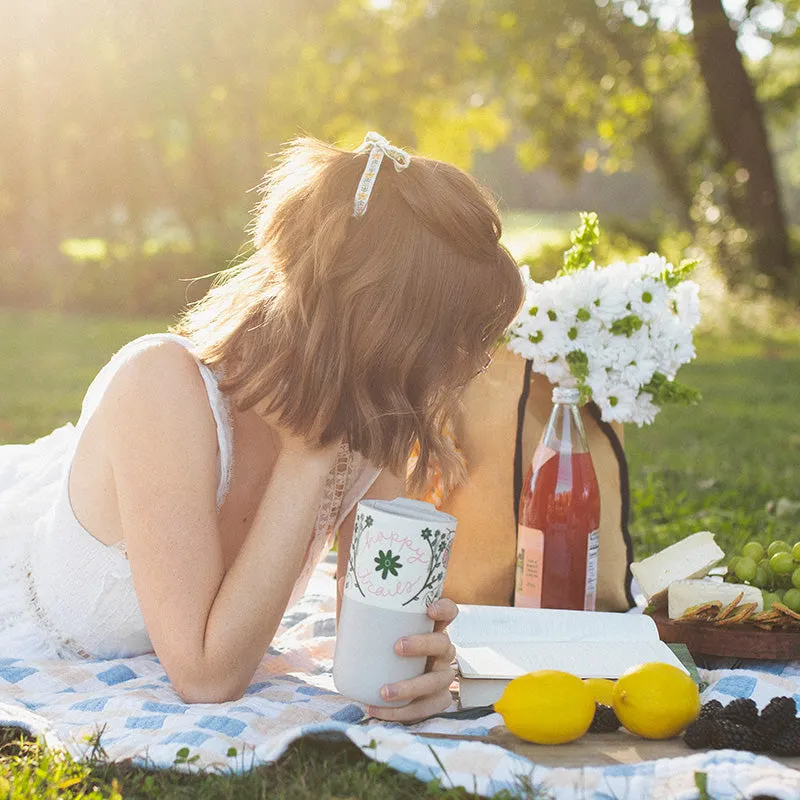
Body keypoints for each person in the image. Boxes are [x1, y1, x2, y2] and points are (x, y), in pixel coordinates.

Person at [0, 132, 524, 722]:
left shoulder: (371, 423)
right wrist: (305, 461)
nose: (470, 362)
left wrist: (416, 672)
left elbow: (375, 648)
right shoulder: (161, 388)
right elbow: (205, 677)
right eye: (456, 336)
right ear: (385, 331)